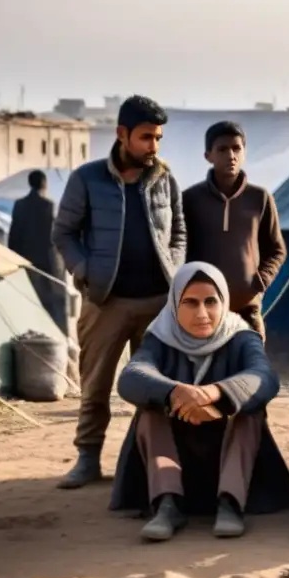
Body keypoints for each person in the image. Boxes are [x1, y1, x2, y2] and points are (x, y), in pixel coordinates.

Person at [52, 95, 186, 489]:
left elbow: (178, 231)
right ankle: (87, 459)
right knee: (95, 386)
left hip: (157, 305)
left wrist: (175, 268)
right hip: (105, 302)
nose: (153, 147)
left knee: (156, 388)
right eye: (146, 137)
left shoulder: (165, 179)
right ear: (122, 134)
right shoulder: (87, 179)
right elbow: (64, 233)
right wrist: (85, 271)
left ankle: (153, 465)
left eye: (158, 138)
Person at [109, 262, 289, 541]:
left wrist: (215, 395)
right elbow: (132, 376)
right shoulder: (159, 336)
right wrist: (176, 393)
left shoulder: (241, 336)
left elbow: (263, 376)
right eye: (190, 303)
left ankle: (230, 503)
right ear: (174, 304)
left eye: (211, 301)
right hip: (178, 448)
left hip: (229, 452)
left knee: (250, 412)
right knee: (150, 412)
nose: (202, 313)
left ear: (224, 302)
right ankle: (168, 503)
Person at [182, 121, 286, 340]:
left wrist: (260, 280)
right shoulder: (190, 199)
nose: (231, 155)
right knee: (205, 372)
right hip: (203, 310)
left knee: (251, 370)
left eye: (236, 148)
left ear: (244, 153)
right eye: (222, 149)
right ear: (208, 156)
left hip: (247, 308)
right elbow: (179, 250)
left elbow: (277, 249)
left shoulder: (260, 198)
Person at [8, 170, 68, 334]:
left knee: (29, 303)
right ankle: (56, 338)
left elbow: (13, 236)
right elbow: (55, 238)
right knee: (53, 306)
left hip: (26, 263)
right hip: (47, 264)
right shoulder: (49, 205)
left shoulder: (19, 205)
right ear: (44, 184)